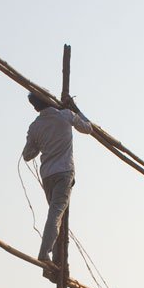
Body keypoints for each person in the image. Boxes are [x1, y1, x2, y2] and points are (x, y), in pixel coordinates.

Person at [22, 92, 93, 267]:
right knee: (55, 214)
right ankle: (45, 253)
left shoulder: (35, 126)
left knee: (56, 216)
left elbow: (27, 155)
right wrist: (75, 108)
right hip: (64, 171)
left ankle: (56, 260)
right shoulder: (66, 116)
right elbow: (88, 128)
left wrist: (41, 143)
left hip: (47, 175)